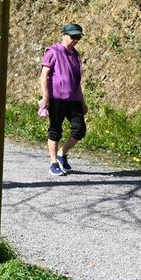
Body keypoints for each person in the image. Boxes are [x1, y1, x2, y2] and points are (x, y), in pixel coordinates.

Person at [39, 23, 87, 176]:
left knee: (80, 129)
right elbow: (44, 76)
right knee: (55, 130)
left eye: (78, 37)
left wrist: (83, 101)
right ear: (64, 35)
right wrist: (45, 97)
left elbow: (76, 81)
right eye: (73, 37)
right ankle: (53, 163)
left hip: (73, 99)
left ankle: (62, 153)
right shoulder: (53, 52)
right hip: (56, 98)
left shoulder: (75, 55)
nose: (75, 40)